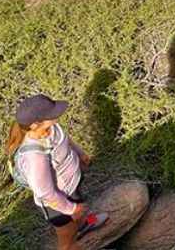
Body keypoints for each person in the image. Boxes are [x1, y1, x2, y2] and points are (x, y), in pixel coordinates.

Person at [6, 94, 107, 250]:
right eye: (51, 114)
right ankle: (75, 234)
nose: (57, 114)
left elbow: (64, 139)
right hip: (56, 205)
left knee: (80, 210)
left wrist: (80, 154)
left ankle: (83, 225)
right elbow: (46, 193)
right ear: (35, 124)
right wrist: (71, 209)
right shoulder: (34, 156)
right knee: (67, 243)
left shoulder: (51, 128)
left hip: (70, 185)